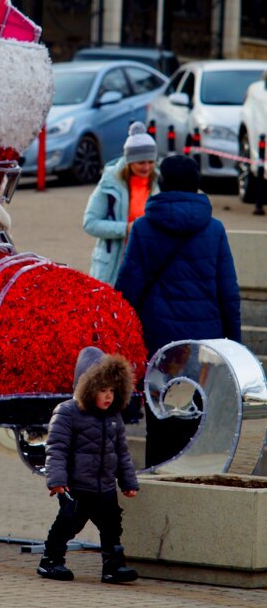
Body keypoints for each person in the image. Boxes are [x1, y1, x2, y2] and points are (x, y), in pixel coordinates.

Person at [115, 154, 241, 467]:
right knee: (195, 419)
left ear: (162, 183)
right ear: (197, 185)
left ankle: (160, 485)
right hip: (203, 347)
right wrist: (234, 347)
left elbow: (127, 290)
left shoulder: (144, 228)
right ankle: (191, 488)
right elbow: (228, 292)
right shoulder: (215, 229)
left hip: (160, 345)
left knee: (160, 420)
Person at [37, 346, 139, 585]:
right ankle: (50, 560)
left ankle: (113, 566)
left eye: (112, 391)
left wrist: (128, 482)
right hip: (77, 486)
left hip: (104, 486)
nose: (108, 396)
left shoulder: (113, 417)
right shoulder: (67, 412)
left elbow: (122, 453)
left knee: (112, 525)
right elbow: (57, 450)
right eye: (102, 390)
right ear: (88, 387)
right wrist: (57, 480)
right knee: (68, 523)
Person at [83, 121, 158, 286]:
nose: (147, 167)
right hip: (113, 268)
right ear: (129, 161)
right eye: (141, 162)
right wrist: (125, 229)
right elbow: (90, 223)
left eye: (151, 162)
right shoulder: (109, 182)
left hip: (148, 266)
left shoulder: (159, 183)